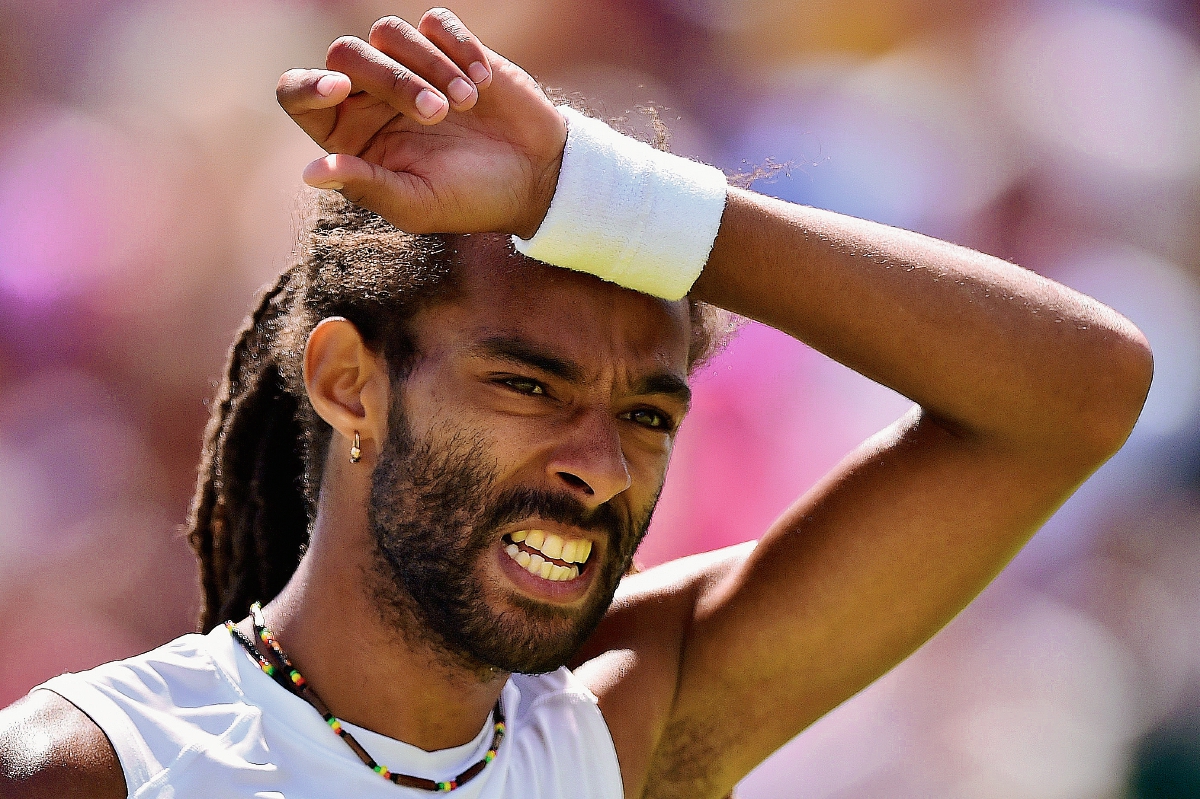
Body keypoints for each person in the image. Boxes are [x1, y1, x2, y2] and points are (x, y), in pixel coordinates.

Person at [0, 8, 1153, 799]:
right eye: (528, 385)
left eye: (650, 413)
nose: (600, 464)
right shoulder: (89, 770)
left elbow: (1082, 392)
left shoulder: (617, 732)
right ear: (350, 386)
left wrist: (587, 191)